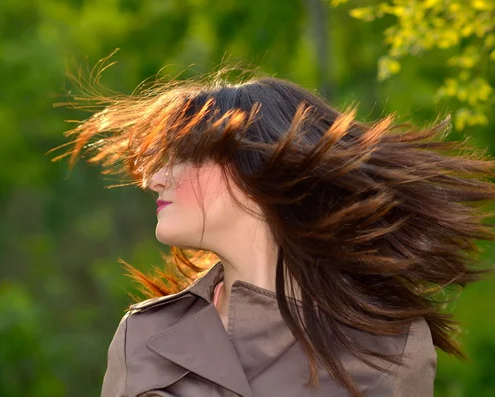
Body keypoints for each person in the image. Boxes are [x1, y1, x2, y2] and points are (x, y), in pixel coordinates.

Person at [55, 63, 495, 397]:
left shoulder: (390, 347)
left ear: (256, 169)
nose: (155, 179)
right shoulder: (142, 336)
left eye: (183, 156)